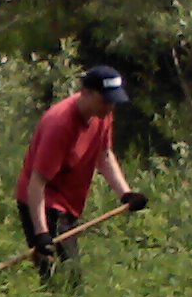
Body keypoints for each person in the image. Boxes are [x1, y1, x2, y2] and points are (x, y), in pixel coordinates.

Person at [16, 64, 148, 284]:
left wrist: (126, 194)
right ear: (86, 93)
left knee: (66, 276)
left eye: (113, 100)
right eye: (105, 100)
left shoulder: (102, 114)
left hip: (68, 203)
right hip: (42, 203)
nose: (110, 106)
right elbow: (37, 183)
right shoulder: (59, 124)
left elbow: (104, 154)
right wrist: (41, 234)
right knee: (65, 278)